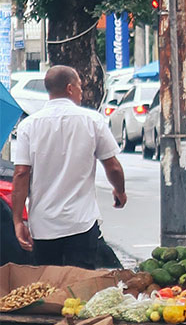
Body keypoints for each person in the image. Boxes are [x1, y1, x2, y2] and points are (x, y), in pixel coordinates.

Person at [12, 65, 127, 269]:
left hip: (43, 225)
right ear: (70, 88)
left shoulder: (28, 126)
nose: (81, 93)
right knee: (80, 288)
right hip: (81, 223)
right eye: (80, 87)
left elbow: (21, 173)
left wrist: (18, 220)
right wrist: (119, 190)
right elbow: (113, 167)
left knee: (47, 287)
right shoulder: (93, 121)